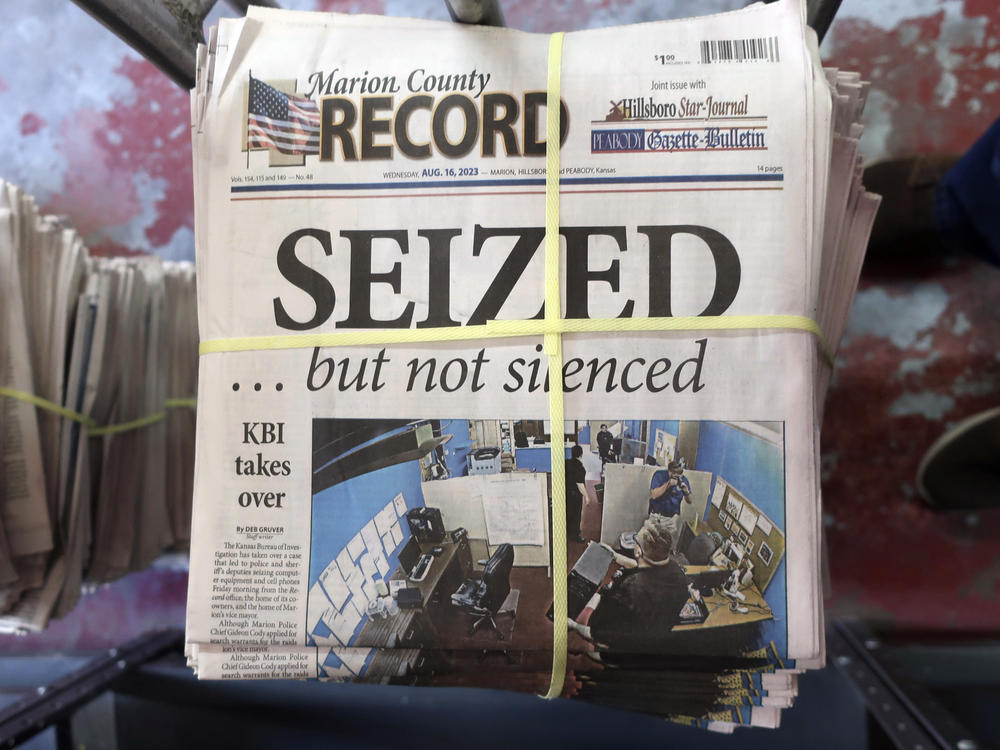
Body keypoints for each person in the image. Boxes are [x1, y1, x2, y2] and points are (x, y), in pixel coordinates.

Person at [567, 517, 690, 653]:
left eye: (636, 539)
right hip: (654, 635)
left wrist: (574, 625)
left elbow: (599, 632)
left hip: (621, 646)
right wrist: (614, 555)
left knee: (595, 593)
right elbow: (646, 567)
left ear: (638, 551)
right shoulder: (678, 573)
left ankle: (574, 628)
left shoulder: (630, 589)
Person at [565, 444, 588, 543]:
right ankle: (574, 536)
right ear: (581, 454)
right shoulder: (580, 467)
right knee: (576, 515)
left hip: (566, 492)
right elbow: (580, 484)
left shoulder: (566, 463)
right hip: (575, 495)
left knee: (568, 513)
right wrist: (587, 496)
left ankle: (567, 533)